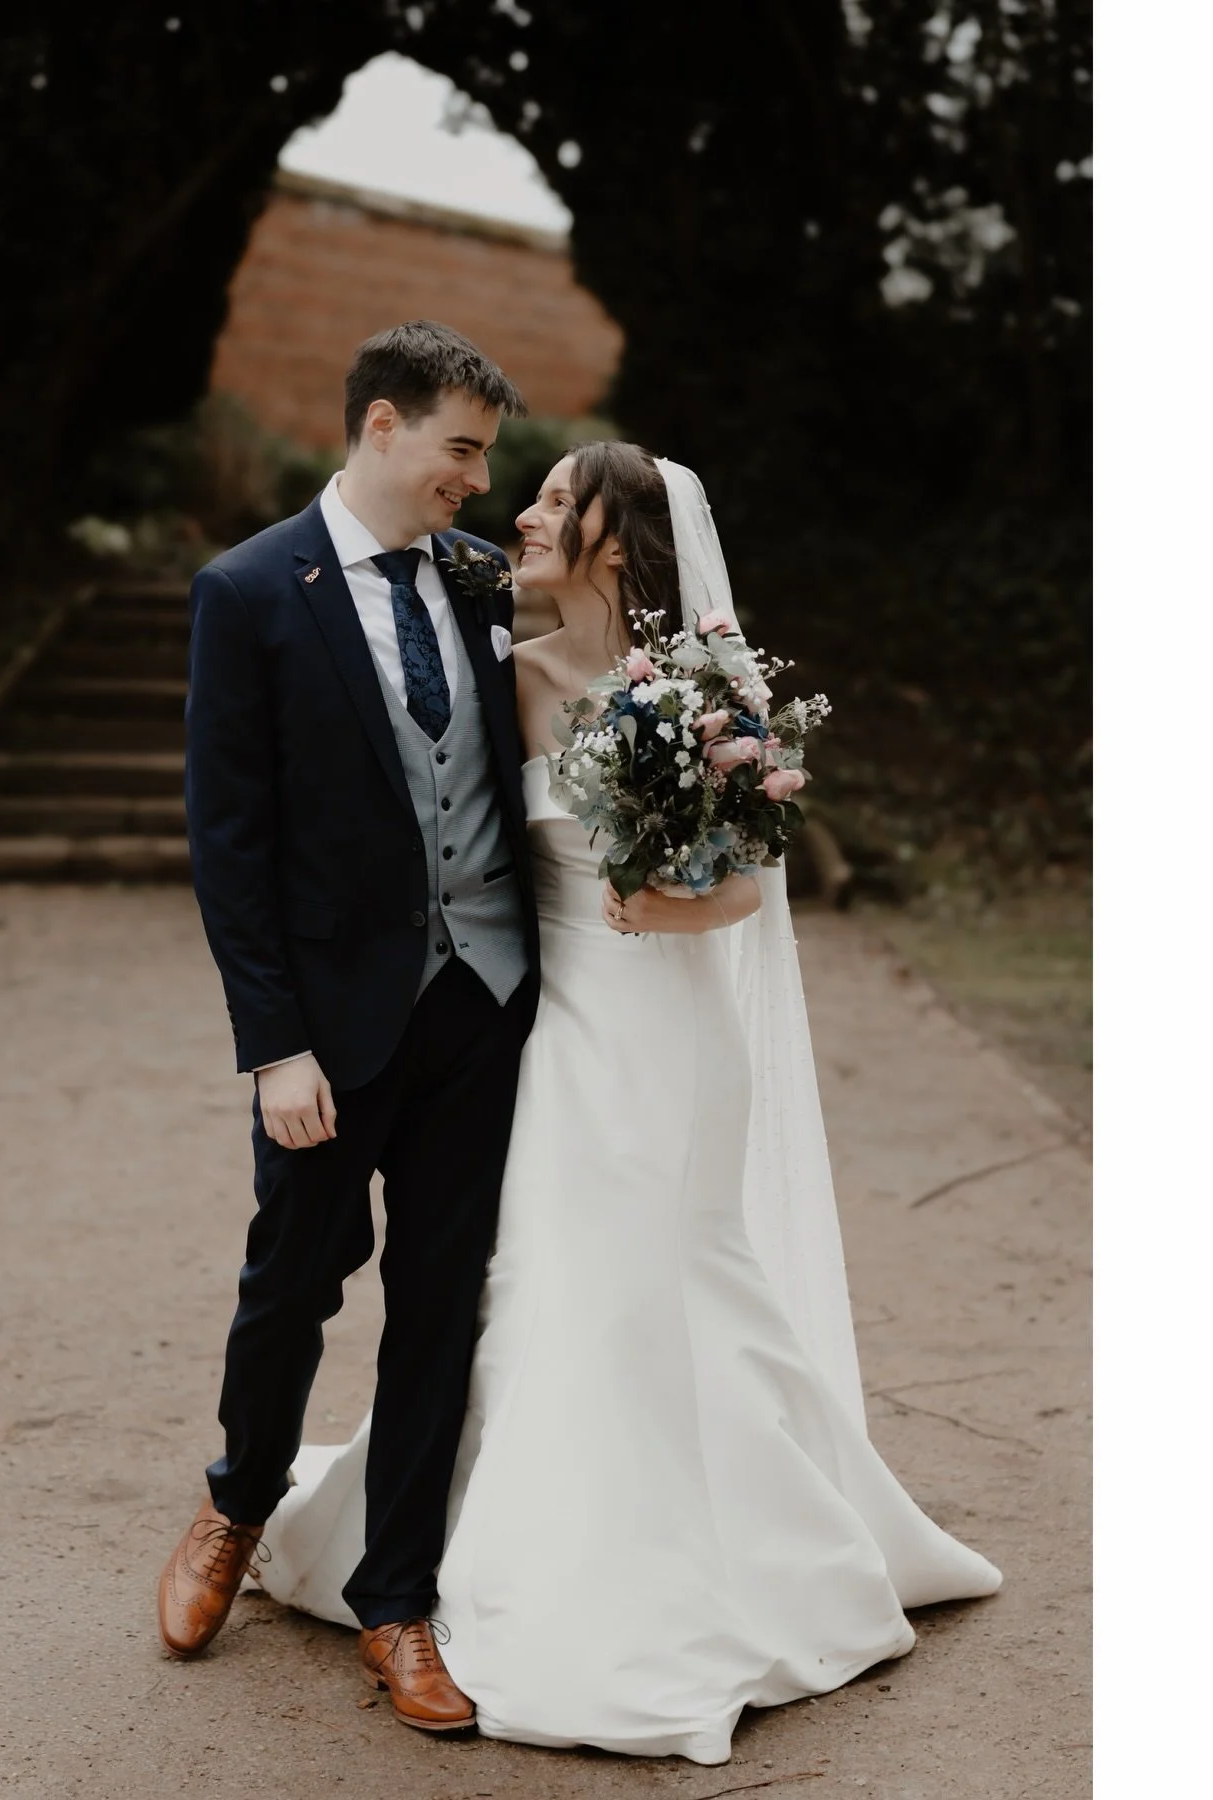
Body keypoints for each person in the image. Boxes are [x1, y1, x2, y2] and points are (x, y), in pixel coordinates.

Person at [253, 441, 1003, 1766]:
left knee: (684, 1265)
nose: (524, 510)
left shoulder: (709, 692)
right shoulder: (505, 672)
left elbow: (742, 891)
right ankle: (476, 1565)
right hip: (558, 1034)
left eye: (553, 496)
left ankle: (716, 1561)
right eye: (523, 489)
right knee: (549, 1277)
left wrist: (657, 892)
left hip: (676, 1029)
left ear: (622, 532)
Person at [158, 321, 540, 1733]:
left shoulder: (487, 583)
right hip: (327, 1032)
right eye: (461, 449)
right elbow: (230, 843)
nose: (477, 480)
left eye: (487, 457)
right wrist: (275, 1047)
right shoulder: (249, 592)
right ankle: (236, 1506)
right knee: (294, 1289)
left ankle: (398, 1603)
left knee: (441, 1311)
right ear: (381, 428)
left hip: (484, 1008)